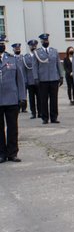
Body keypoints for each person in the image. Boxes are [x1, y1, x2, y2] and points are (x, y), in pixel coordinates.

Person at [0, 35, 27, 163]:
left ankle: (12, 153)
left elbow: (20, 79)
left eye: (2, 43)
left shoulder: (12, 59)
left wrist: (22, 97)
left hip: (12, 98)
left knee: (12, 127)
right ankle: (1, 153)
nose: (1, 45)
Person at [33, 33, 63, 124]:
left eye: (47, 40)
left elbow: (58, 64)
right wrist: (36, 78)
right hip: (43, 79)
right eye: (44, 40)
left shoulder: (54, 51)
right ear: (41, 42)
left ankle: (54, 117)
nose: (46, 42)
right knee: (44, 99)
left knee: (54, 99)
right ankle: (45, 117)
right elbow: (35, 66)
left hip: (54, 78)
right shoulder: (37, 52)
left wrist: (61, 76)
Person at [23, 40, 39, 119]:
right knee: (31, 98)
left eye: (35, 45)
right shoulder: (26, 57)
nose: (33, 47)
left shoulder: (39, 55)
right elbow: (24, 70)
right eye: (32, 46)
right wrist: (25, 81)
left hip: (38, 81)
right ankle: (33, 113)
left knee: (40, 98)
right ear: (29, 47)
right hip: (30, 81)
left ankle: (40, 112)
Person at [11, 43, 28, 113]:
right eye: (16, 49)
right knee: (15, 94)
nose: (18, 50)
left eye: (19, 49)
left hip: (23, 78)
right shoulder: (11, 58)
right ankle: (17, 107)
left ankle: (24, 107)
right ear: (13, 49)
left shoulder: (23, 58)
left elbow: (26, 68)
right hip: (15, 80)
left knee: (24, 93)